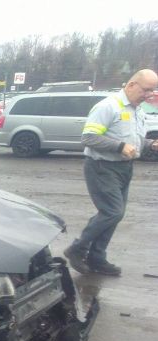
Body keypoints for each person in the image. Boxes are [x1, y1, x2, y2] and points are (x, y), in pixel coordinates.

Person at [63, 69, 158, 276]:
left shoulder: (137, 111)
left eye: (153, 91)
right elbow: (88, 137)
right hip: (102, 167)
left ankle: (97, 258)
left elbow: (136, 141)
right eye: (147, 90)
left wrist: (151, 144)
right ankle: (77, 248)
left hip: (124, 168)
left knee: (115, 214)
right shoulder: (108, 106)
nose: (149, 95)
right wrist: (119, 146)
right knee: (112, 212)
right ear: (132, 85)